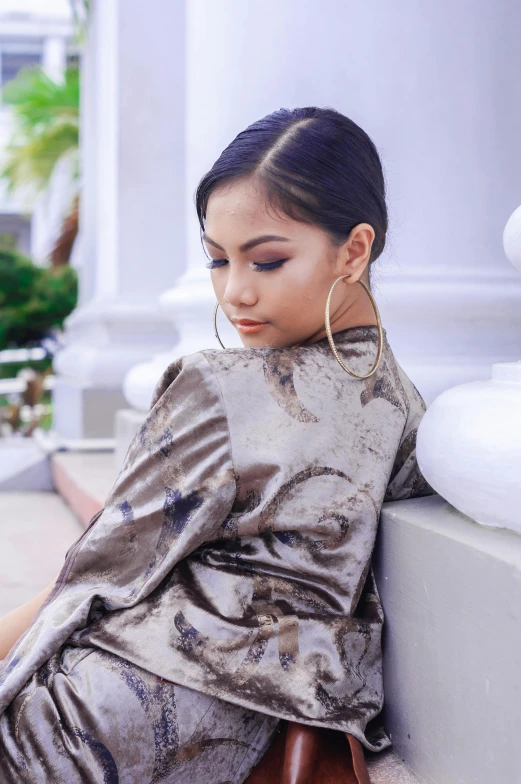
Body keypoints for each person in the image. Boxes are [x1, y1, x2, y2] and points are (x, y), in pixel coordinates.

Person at [0, 106, 436, 783]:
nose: (235, 291)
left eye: (266, 260)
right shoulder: (403, 406)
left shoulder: (222, 387)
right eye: (216, 259)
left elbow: (89, 578)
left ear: (353, 250)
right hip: (236, 738)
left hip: (108, 718)